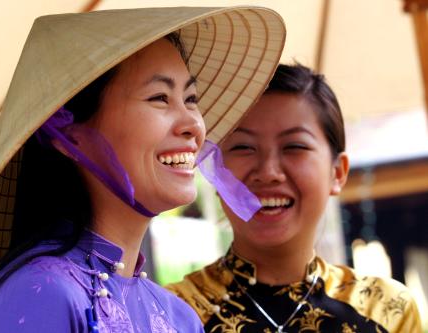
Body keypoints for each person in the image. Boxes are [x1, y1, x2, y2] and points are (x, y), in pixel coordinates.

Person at [0, 6, 285, 333]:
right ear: (68, 133)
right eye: (160, 97)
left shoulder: (181, 318)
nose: (194, 126)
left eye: (191, 98)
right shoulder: (41, 295)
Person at [167, 64, 423, 333]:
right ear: (216, 173)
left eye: (294, 147)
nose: (268, 173)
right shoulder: (171, 312)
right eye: (243, 147)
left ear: (337, 172)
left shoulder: (386, 309)